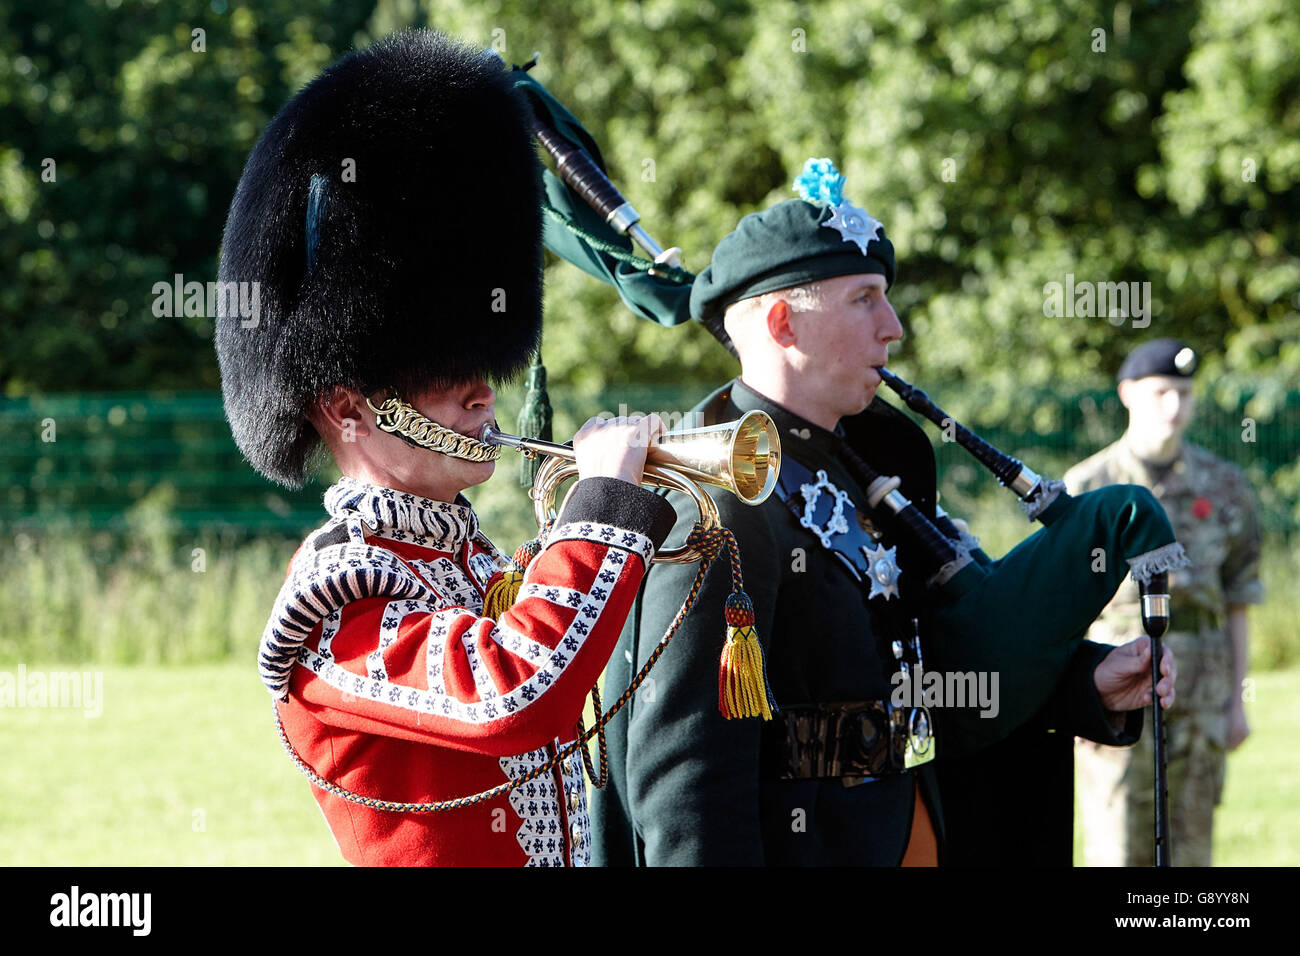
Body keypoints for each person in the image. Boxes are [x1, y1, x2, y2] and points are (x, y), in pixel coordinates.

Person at [589, 159, 1177, 866]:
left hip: (910, 828)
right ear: (782, 323)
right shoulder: (720, 497)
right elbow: (686, 774)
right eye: (865, 299)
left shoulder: (863, 465)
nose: (892, 327)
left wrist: (1086, 685)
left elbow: (924, 666)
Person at [215, 30, 677, 866]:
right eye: (442, 371)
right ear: (349, 407)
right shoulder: (333, 597)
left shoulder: (467, 561)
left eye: (481, 363)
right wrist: (602, 513)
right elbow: (514, 692)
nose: (481, 391)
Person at [1067, 339, 1264, 867]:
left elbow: (1240, 597)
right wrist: (1075, 702)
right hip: (1118, 678)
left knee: (1193, 846)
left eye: (1184, 394)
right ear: (1128, 394)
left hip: (1202, 686)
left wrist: (1236, 703)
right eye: (1160, 393)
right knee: (1118, 844)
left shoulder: (1225, 486)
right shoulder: (1088, 488)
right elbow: (1062, 613)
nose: (1174, 407)